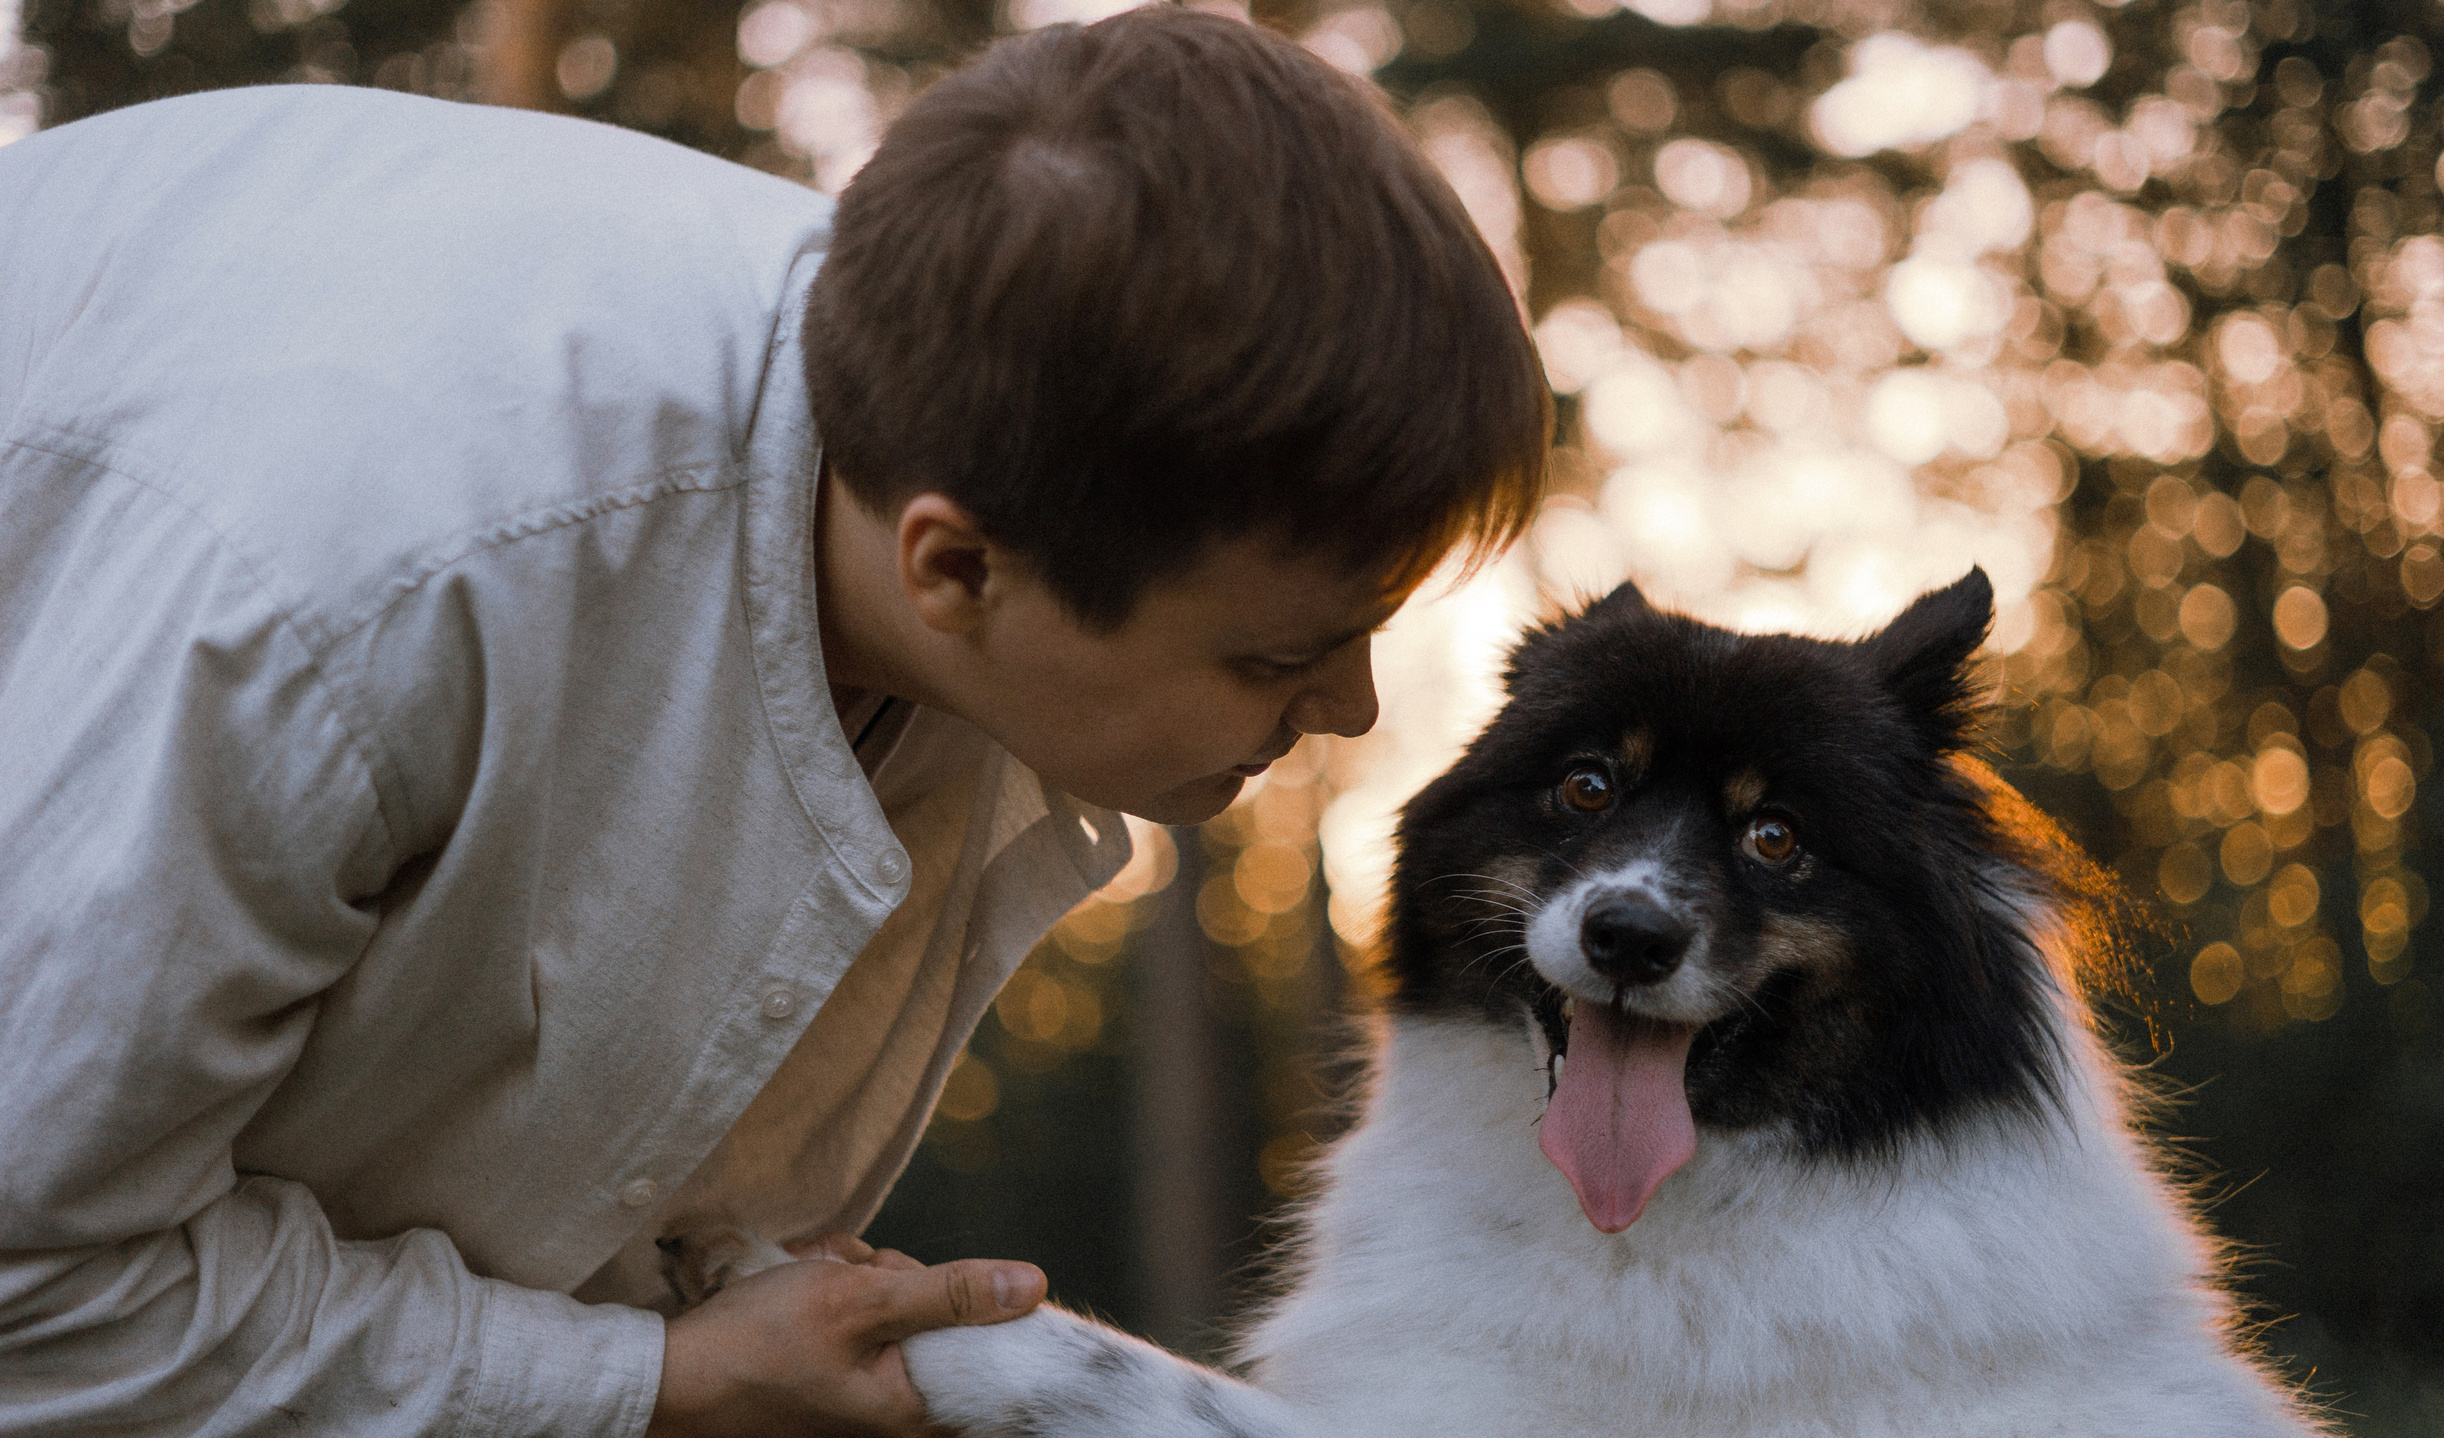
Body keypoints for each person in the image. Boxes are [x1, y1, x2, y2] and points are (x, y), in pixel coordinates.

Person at [0, 8, 1547, 1436]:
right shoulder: (345, 611)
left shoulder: (1014, 410)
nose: (1348, 706)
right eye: (1286, 651)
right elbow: (33, 1287)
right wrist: (642, 1385)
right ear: (959, 566)